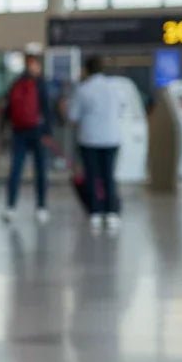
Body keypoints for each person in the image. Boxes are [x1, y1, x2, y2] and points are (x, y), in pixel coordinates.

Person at [68, 54, 122, 233]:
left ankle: (96, 212)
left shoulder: (83, 89)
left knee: (92, 176)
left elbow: (73, 117)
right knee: (109, 175)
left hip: (90, 139)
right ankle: (112, 212)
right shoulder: (114, 88)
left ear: (87, 70)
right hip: (112, 137)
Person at [2, 50, 54, 224]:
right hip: (37, 132)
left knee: (16, 170)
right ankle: (41, 207)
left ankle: (10, 207)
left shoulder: (16, 82)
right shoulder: (40, 83)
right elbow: (47, 109)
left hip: (19, 132)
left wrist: (5, 128)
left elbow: (8, 109)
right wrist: (48, 133)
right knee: (40, 171)